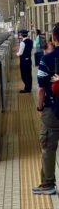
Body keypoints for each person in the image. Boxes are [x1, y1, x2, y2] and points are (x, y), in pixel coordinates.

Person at [34, 27, 59, 195]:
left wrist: (39, 106)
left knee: (49, 146)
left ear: (54, 37)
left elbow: (41, 88)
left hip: (52, 109)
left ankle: (48, 184)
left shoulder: (47, 59)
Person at [16, 29, 33, 93]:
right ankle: (29, 88)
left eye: (20, 34)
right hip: (29, 60)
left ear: (22, 35)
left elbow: (20, 53)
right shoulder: (31, 41)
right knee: (29, 74)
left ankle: (27, 89)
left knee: (24, 75)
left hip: (23, 61)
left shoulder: (22, 43)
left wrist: (16, 54)